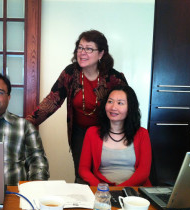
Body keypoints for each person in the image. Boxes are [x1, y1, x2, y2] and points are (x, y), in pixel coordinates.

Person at [26, 30, 128, 182]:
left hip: (107, 132)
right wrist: (26, 123)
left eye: (89, 49)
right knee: (82, 176)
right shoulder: (70, 73)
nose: (82, 53)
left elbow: (127, 106)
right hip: (79, 134)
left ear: (101, 54)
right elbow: (52, 100)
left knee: (105, 174)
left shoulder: (114, 78)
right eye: (80, 48)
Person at [79, 85, 152, 186]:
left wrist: (119, 190)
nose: (113, 107)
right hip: (103, 191)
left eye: (120, 103)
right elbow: (83, 169)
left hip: (134, 192)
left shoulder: (142, 134)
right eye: (110, 101)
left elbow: (144, 172)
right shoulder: (92, 133)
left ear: (130, 107)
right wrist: (102, 188)